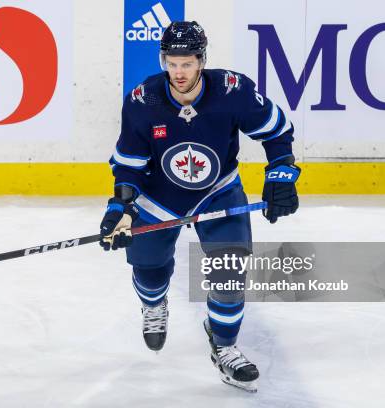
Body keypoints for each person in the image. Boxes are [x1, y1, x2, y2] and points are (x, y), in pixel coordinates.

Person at [99, 21, 300, 392]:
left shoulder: (232, 91)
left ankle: (224, 346)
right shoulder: (143, 101)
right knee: (149, 269)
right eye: (171, 63)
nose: (178, 72)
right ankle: (154, 305)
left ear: (202, 61)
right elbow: (129, 164)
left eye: (187, 63)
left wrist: (281, 174)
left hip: (218, 191)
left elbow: (276, 130)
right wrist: (122, 207)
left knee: (230, 268)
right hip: (159, 197)